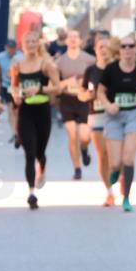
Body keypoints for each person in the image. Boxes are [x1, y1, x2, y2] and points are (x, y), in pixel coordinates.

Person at [98, 33, 136, 213]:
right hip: (114, 116)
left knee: (128, 158)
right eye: (124, 46)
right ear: (119, 50)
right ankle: (115, 172)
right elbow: (100, 92)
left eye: (131, 46)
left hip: (134, 115)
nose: (128, 49)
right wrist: (107, 105)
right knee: (115, 163)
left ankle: (127, 198)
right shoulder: (111, 70)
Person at [11, 30, 59, 210]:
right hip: (25, 111)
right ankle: (31, 193)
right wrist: (16, 95)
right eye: (27, 42)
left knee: (40, 152)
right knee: (29, 153)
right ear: (22, 45)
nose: (31, 45)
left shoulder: (46, 65)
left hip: (42, 110)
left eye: (33, 42)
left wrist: (40, 89)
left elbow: (58, 87)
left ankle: (43, 168)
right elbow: (14, 87)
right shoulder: (17, 65)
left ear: (38, 44)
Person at [80, 34, 116, 206]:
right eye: (100, 47)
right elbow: (81, 94)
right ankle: (109, 192)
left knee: (118, 156)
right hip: (97, 115)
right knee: (103, 155)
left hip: (117, 115)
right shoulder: (91, 71)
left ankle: (121, 178)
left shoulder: (118, 68)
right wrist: (87, 95)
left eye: (106, 46)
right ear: (95, 50)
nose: (103, 50)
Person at [54, 29, 95, 180]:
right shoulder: (60, 61)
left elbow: (95, 78)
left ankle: (84, 149)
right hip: (67, 99)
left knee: (84, 136)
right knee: (72, 134)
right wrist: (67, 82)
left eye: (75, 37)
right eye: (70, 37)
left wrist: (87, 85)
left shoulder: (89, 59)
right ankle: (77, 168)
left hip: (83, 99)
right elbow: (54, 84)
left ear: (80, 41)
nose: (72, 39)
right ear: (66, 41)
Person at [0, 38, 22, 145]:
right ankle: (14, 133)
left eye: (13, 48)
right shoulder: (0, 57)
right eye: (9, 48)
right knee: (10, 109)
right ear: (5, 48)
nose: (11, 50)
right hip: (6, 86)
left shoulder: (21, 56)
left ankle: (19, 131)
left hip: (18, 86)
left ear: (16, 48)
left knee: (17, 110)